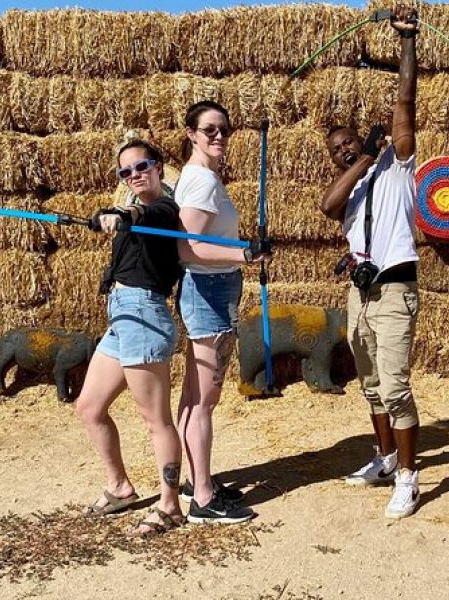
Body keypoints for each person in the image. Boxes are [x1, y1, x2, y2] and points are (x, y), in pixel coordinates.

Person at [320, 7, 420, 519]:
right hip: (360, 294)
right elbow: (326, 207)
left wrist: (407, 43)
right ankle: (383, 459)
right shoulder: (353, 186)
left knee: (397, 385)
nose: (344, 151)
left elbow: (406, 101)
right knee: (371, 384)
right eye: (337, 150)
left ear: (365, 137)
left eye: (350, 143)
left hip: (395, 289)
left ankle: (408, 475)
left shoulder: (397, 164)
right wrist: (362, 159)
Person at [76, 138, 184, 537]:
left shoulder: (165, 208)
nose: (135, 175)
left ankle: (169, 505)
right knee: (89, 407)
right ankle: (120, 487)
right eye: (126, 172)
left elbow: (144, 211)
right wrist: (106, 216)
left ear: (158, 167)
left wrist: (123, 214)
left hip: (144, 313)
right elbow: (125, 212)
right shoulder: (130, 209)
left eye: (142, 166)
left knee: (155, 419)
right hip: (121, 313)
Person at [174, 100, 269, 524]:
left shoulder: (202, 178)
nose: (218, 136)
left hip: (210, 287)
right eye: (209, 129)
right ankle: (204, 500)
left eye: (224, 130)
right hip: (209, 289)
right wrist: (245, 254)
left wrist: (239, 249)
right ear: (191, 134)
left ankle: (198, 478)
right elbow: (187, 248)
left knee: (194, 394)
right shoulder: (201, 183)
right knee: (204, 400)